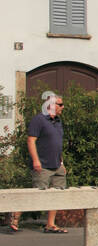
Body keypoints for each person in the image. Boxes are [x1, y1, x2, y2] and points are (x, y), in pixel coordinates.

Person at [18, 93, 67, 234]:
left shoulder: (58, 121)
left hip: (57, 165)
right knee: (37, 195)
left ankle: (50, 224)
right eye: (60, 104)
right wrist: (36, 160)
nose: (63, 107)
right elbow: (31, 140)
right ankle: (15, 215)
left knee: (56, 195)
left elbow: (58, 143)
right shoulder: (38, 120)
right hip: (43, 164)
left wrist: (62, 162)